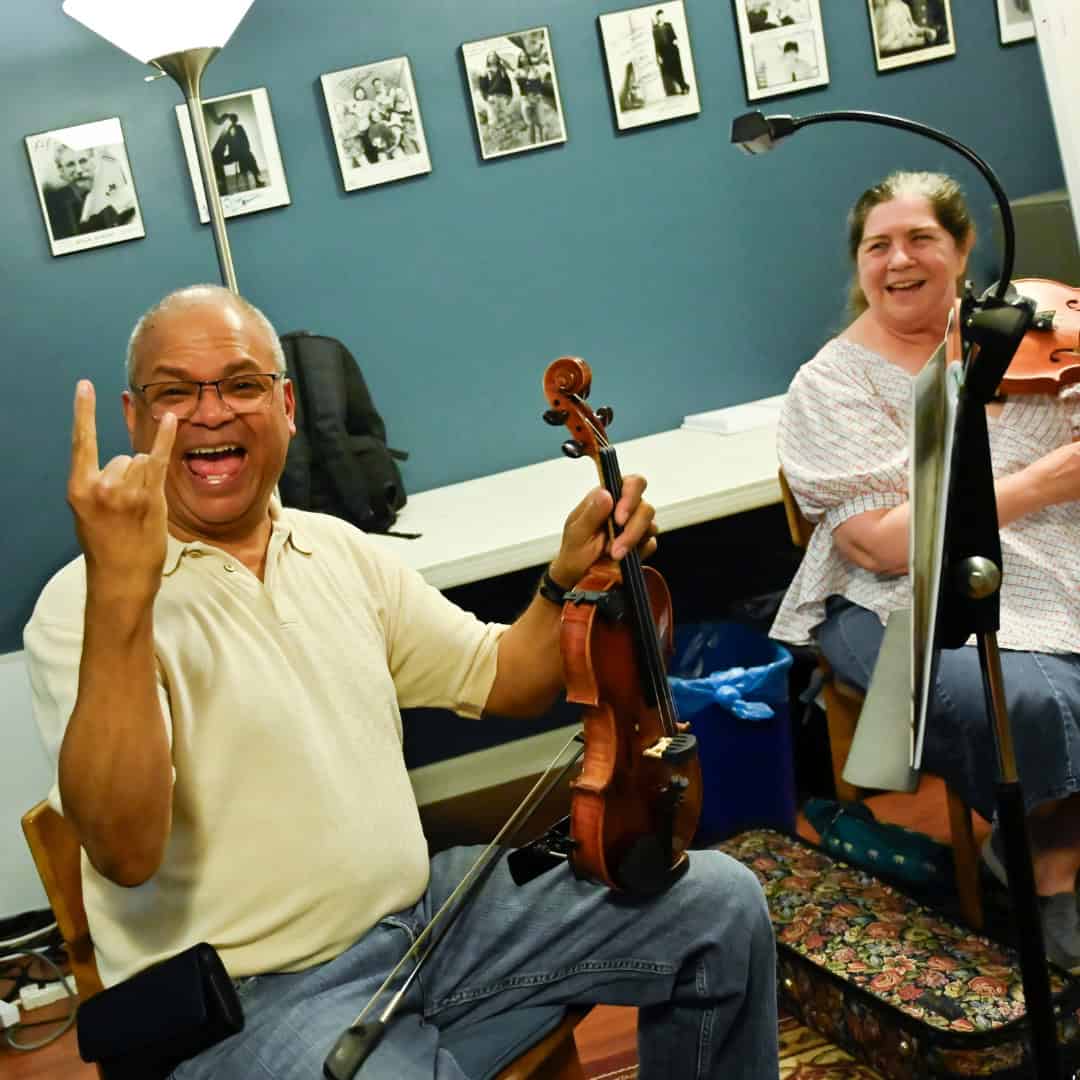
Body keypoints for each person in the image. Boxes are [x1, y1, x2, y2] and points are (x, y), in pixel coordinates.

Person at [24, 284, 778, 1077]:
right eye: (175, 392)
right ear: (135, 418)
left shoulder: (337, 550)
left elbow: (504, 681)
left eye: (241, 385)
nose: (211, 413)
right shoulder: (81, 606)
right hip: (253, 999)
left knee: (720, 909)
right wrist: (123, 593)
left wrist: (564, 580)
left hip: (428, 925)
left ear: (284, 405)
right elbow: (124, 851)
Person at [770, 171, 1080, 970]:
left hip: (1062, 563)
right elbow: (876, 545)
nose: (899, 260)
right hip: (895, 596)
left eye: (922, 240)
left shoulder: (1035, 331)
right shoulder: (830, 384)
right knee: (1030, 703)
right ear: (859, 264)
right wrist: (1040, 484)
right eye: (879, 245)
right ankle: (1048, 878)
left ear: (963, 247)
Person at [43, 144, 136, 240]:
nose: (79, 170)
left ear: (93, 162)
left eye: (83, 161)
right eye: (70, 164)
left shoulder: (120, 188)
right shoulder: (56, 203)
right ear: (61, 170)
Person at [652, 9, 690, 95]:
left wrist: (676, 40)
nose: (661, 18)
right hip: (664, 52)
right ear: (657, 17)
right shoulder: (655, 29)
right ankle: (685, 86)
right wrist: (658, 55)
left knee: (678, 69)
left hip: (673, 50)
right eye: (659, 16)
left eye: (663, 16)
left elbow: (674, 36)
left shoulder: (668, 25)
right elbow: (656, 44)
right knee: (669, 71)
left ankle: (684, 88)